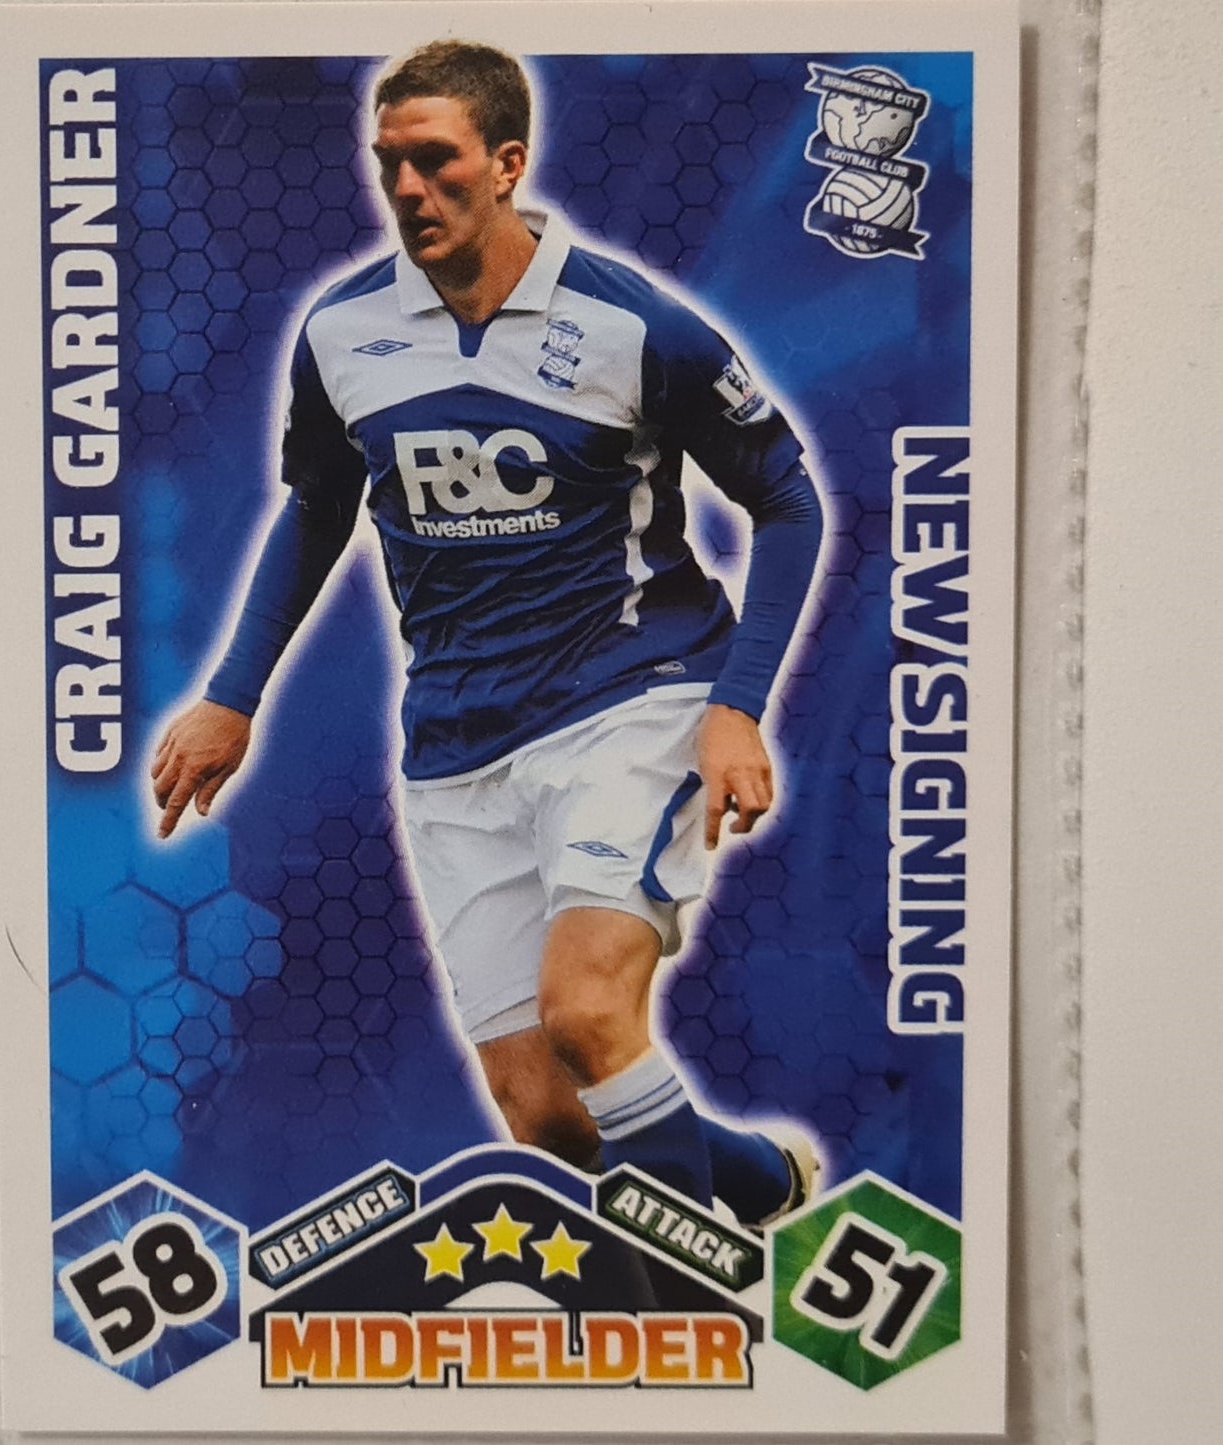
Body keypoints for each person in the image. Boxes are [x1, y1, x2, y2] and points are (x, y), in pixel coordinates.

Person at [151, 41, 824, 1224]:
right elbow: (317, 506)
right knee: (545, 1111)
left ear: (507, 163)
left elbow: (786, 498)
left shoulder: (630, 324)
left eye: (436, 161)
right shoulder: (341, 332)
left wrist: (735, 708)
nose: (408, 188)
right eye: (390, 163)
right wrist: (232, 693)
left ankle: (669, 1307)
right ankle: (766, 1181)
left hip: (631, 701)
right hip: (455, 745)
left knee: (588, 1011)